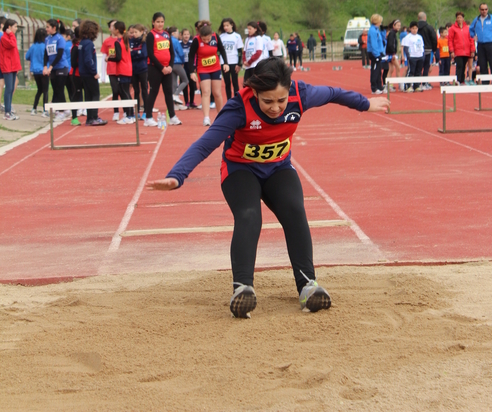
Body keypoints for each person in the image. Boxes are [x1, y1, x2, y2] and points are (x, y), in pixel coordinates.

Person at [147, 57, 390, 318]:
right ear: (254, 93)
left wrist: (366, 104)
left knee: (295, 212)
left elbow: (334, 93)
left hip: (278, 168)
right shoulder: (238, 107)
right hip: (241, 170)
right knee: (249, 216)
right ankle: (243, 289)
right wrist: (177, 176)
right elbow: (206, 143)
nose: (275, 108)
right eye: (267, 101)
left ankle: (308, 286)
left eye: (281, 101)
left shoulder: (301, 94)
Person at [188, 22, 229, 126]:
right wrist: (192, 71)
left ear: (211, 35)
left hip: (215, 68)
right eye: (204, 39)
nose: (206, 41)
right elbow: (191, 56)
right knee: (206, 92)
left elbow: (222, 50)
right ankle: (206, 117)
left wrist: (226, 63)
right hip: (202, 69)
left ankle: (221, 116)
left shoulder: (216, 37)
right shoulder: (196, 40)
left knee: (217, 93)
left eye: (208, 39)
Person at [144, 12, 181, 128]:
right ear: (153, 22)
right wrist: (162, 68)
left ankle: (173, 116)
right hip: (155, 68)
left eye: (162, 22)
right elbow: (150, 54)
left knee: (168, 92)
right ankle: (148, 117)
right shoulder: (151, 35)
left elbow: (171, 52)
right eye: (158, 22)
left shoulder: (166, 34)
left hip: (167, 69)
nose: (160, 24)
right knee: (154, 91)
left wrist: (170, 66)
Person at [78, 20, 107, 127]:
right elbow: (88, 60)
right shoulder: (89, 44)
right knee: (95, 94)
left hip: (83, 73)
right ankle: (94, 117)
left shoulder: (81, 42)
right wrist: (94, 72)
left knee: (88, 95)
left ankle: (90, 118)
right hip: (89, 73)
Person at [106, 21, 136, 125]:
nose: (112, 30)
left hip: (122, 69)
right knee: (127, 92)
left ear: (117, 30)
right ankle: (131, 115)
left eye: (113, 28)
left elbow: (118, 57)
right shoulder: (125, 40)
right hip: (128, 68)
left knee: (124, 93)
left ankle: (129, 115)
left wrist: (109, 58)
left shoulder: (117, 42)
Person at [469, 4, 492, 78]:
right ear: (479, 10)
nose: (484, 11)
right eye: (482, 9)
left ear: (488, 10)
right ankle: (485, 81)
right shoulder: (476, 20)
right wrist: (473, 36)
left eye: (486, 9)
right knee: (483, 64)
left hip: (490, 44)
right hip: (480, 44)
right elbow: (471, 29)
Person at [43, 19, 70, 121]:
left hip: (61, 66)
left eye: (48, 27)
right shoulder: (47, 39)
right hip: (52, 68)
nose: (46, 29)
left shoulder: (60, 39)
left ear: (54, 28)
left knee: (59, 88)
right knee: (55, 89)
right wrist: (45, 66)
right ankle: (63, 109)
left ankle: (61, 111)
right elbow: (46, 54)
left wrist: (51, 66)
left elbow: (59, 55)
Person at [0, 19, 21, 120]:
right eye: (15, 26)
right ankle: (7, 112)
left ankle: (9, 110)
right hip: (7, 67)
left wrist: (17, 67)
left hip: (13, 67)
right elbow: (12, 44)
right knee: (8, 89)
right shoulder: (5, 38)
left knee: (11, 88)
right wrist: (11, 35)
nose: (16, 29)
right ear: (9, 27)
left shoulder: (10, 37)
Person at [218, 18, 243, 100]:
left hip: (234, 61)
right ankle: (229, 100)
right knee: (227, 83)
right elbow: (219, 50)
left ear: (232, 25)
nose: (225, 27)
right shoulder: (221, 36)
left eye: (227, 25)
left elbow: (240, 51)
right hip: (224, 62)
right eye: (224, 26)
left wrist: (239, 64)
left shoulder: (237, 36)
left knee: (235, 82)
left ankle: (237, 100)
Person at [25, 28, 48, 116]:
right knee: (45, 90)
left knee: (39, 90)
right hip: (44, 70)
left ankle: (34, 108)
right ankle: (44, 110)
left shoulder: (33, 46)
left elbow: (27, 56)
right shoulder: (45, 46)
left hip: (35, 70)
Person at [448, 12, 475, 85]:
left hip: (466, 51)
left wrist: (472, 50)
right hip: (457, 51)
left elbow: (471, 39)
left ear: (463, 19)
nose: (459, 19)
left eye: (461, 17)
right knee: (459, 65)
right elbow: (450, 40)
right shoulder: (452, 29)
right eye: (458, 18)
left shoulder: (467, 28)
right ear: (456, 19)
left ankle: (462, 80)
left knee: (464, 66)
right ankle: (458, 80)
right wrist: (452, 51)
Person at [101, 20, 120, 122]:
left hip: (122, 69)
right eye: (112, 26)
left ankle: (127, 111)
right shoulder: (107, 41)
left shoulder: (123, 40)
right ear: (110, 28)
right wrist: (102, 74)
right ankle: (116, 111)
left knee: (123, 91)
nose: (114, 27)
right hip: (112, 70)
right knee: (115, 91)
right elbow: (104, 58)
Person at [129, 24, 148, 119]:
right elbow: (129, 53)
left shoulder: (144, 41)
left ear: (141, 32)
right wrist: (135, 52)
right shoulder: (131, 41)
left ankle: (146, 111)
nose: (134, 34)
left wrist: (134, 52)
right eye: (133, 32)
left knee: (144, 89)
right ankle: (136, 112)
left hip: (143, 68)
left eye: (136, 32)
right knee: (136, 90)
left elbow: (144, 54)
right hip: (133, 69)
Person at [168, 26, 189, 110]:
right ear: (173, 33)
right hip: (176, 62)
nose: (178, 34)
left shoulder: (167, 40)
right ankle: (175, 95)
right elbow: (180, 52)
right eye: (177, 33)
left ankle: (175, 104)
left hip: (170, 63)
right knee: (185, 80)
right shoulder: (175, 41)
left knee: (173, 83)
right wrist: (183, 61)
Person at [416, 12, 438, 90]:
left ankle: (417, 83)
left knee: (418, 67)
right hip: (428, 49)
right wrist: (434, 49)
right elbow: (434, 38)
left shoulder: (415, 28)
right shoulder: (429, 27)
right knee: (426, 66)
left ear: (418, 18)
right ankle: (424, 83)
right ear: (425, 18)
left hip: (417, 50)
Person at [401, 22, 425, 92]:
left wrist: (422, 56)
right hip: (412, 56)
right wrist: (409, 57)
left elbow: (422, 46)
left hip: (419, 56)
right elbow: (405, 47)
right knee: (411, 71)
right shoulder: (408, 37)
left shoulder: (420, 37)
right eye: (413, 28)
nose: (414, 30)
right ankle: (408, 86)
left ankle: (416, 85)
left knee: (418, 71)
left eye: (416, 28)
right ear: (410, 29)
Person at [68, 26, 84, 126]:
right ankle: (74, 117)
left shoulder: (81, 45)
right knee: (76, 94)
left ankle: (90, 115)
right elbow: (73, 63)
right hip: (75, 74)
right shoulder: (75, 46)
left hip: (81, 73)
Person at [367, 14, 386, 94]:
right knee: (375, 70)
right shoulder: (372, 31)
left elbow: (381, 40)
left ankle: (379, 86)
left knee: (378, 70)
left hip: (379, 52)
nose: (381, 23)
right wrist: (377, 54)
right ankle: (374, 88)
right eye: (380, 21)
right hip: (374, 53)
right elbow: (374, 44)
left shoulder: (377, 30)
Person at [181, 28, 199, 109]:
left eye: (188, 34)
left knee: (192, 84)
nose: (186, 36)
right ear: (182, 35)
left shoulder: (192, 43)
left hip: (190, 65)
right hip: (182, 65)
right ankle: (186, 102)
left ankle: (192, 101)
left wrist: (195, 66)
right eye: (184, 34)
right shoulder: (179, 44)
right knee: (184, 83)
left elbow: (196, 54)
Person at [384, 20, 401, 89]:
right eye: (397, 25)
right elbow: (390, 44)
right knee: (398, 67)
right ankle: (400, 84)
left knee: (391, 69)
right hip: (391, 54)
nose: (399, 27)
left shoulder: (393, 33)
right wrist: (393, 54)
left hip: (390, 53)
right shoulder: (392, 33)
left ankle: (388, 84)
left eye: (400, 26)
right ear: (393, 26)